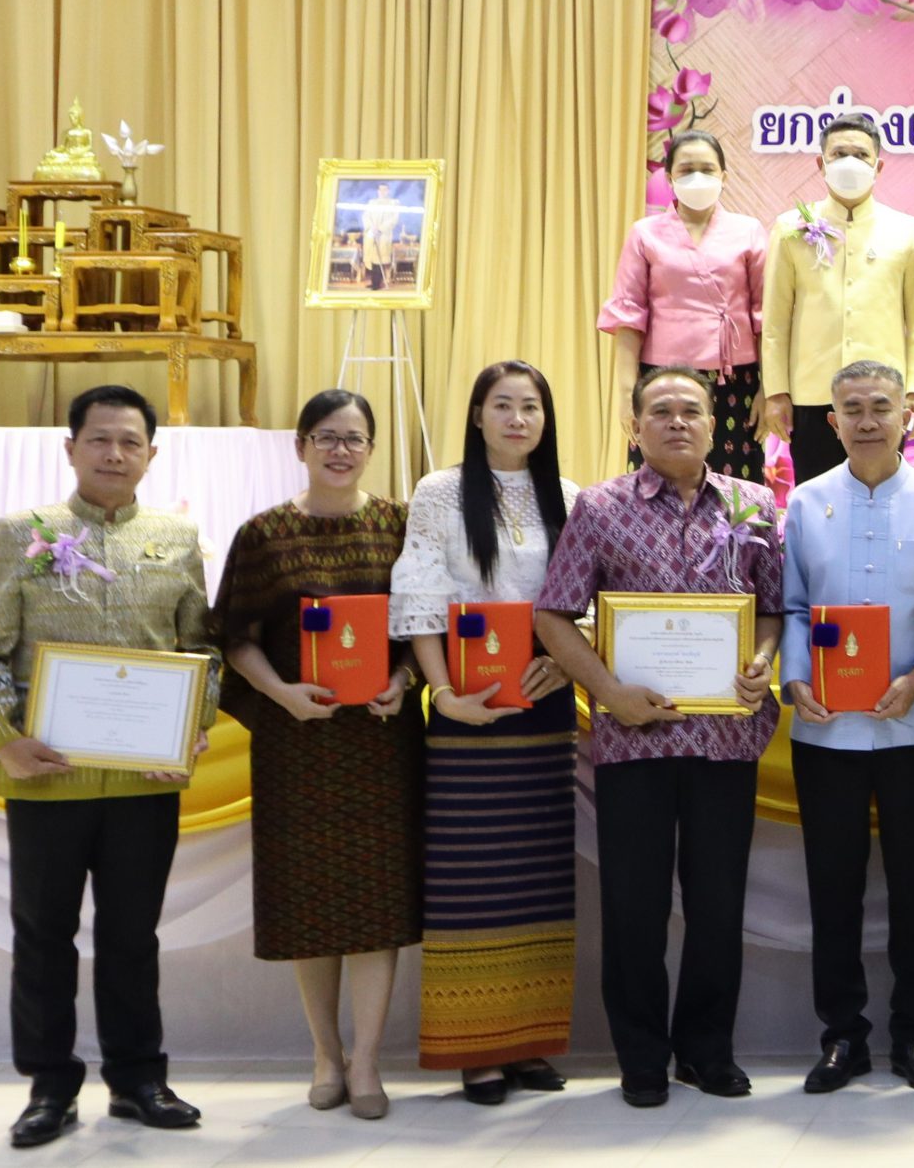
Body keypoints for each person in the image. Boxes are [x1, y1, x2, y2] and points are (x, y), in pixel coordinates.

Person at [0, 385, 214, 1148]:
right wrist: (5, 738)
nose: (114, 454)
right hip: (46, 775)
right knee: (43, 934)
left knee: (133, 934)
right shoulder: (24, 533)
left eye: (130, 441)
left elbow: (201, 650)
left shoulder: (177, 537)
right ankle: (49, 1086)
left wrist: (192, 728)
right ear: (70, 448)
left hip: (145, 779)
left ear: (151, 454)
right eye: (100, 439)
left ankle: (138, 1079)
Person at [532, 368, 783, 1109]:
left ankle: (707, 1052)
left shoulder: (753, 503)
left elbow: (773, 607)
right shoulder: (600, 507)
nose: (677, 421)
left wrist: (761, 662)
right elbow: (553, 613)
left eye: (691, 410)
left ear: (712, 424)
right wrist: (608, 692)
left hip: (725, 739)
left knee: (717, 905)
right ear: (635, 426)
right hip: (632, 740)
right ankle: (641, 1057)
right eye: (661, 410)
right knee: (634, 908)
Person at [213, 390, 422, 1119]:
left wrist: (405, 679)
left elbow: (423, 628)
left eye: (354, 438)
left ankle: (366, 1060)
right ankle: (324, 1052)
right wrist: (280, 693)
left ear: (372, 449)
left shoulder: (401, 526)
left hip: (379, 742)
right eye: (326, 437)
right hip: (296, 741)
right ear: (300, 446)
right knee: (310, 902)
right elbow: (233, 636)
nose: (340, 450)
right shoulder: (263, 534)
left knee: (376, 901)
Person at [779, 360, 914, 1096]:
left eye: (881, 407)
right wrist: (796, 676)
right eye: (853, 409)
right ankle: (842, 1037)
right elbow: (794, 605)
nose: (867, 421)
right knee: (833, 888)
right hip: (826, 731)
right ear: (831, 422)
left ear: (908, 417)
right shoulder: (805, 503)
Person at [388, 362, 581, 1104]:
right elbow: (420, 595)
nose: (517, 419)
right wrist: (443, 694)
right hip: (465, 704)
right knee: (472, 880)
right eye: (502, 405)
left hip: (544, 698)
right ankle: (476, 1049)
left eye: (531, 406)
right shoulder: (439, 492)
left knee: (538, 876)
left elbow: (585, 598)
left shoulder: (571, 496)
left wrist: (565, 666)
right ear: (476, 416)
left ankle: (529, 1043)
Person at [761, 113, 914, 483]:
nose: (850, 163)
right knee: (817, 496)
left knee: (883, 495)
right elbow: (775, 323)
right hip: (812, 394)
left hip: (884, 395)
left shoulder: (907, 231)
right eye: (839, 154)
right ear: (821, 163)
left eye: (860, 155)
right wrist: (776, 393)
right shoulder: (790, 228)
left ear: (878, 166)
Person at [598, 128, 769, 483]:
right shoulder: (644, 233)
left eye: (707, 169)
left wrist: (769, 388)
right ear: (669, 178)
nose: (697, 178)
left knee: (734, 489)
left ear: (724, 177)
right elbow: (628, 317)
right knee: (660, 482)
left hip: (736, 382)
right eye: (687, 170)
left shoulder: (749, 230)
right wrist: (627, 395)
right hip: (660, 380)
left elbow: (765, 320)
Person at [360, 183, 402, 291]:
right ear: (378, 191)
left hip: (383, 234)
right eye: (380, 190)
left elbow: (393, 220)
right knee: (372, 258)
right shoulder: (372, 203)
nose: (382, 192)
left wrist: (380, 228)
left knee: (379, 259)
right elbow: (366, 216)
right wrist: (371, 227)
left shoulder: (393, 203)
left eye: (385, 190)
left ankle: (377, 284)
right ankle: (373, 282)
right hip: (371, 233)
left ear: (388, 191)